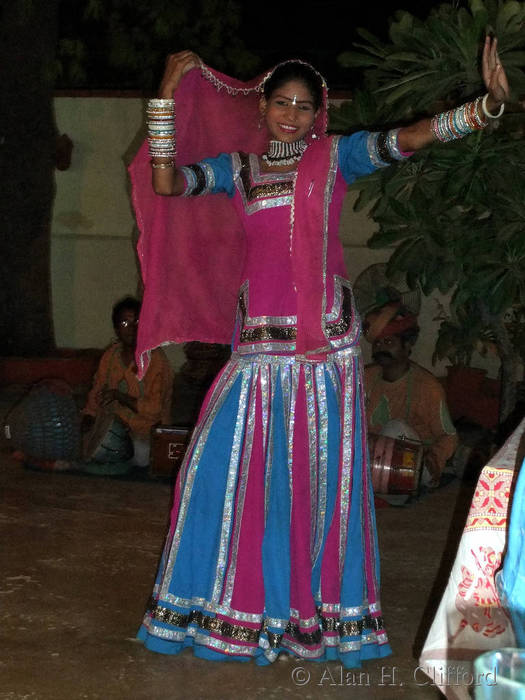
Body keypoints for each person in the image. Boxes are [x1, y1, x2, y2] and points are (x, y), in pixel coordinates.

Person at [129, 39, 508, 666]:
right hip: (255, 347)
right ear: (264, 107)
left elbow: (407, 138)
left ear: (318, 114)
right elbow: (166, 183)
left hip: (320, 351)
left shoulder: (334, 159)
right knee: (217, 472)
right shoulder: (240, 169)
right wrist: (165, 98)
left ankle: (310, 617)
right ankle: (232, 610)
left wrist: (482, 109)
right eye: (282, 103)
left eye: (304, 107)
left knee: (312, 484)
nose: (292, 116)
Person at [363, 302, 458, 489]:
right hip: (373, 458)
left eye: (389, 342)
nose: (381, 348)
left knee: (394, 429)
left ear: (407, 345)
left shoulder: (427, 387)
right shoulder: (365, 377)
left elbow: (449, 436)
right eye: (377, 343)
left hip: (411, 465)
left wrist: (435, 460)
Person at [82, 296, 173, 470]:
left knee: (140, 456)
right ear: (116, 329)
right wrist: (89, 417)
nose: (132, 329)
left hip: (147, 431)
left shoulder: (156, 360)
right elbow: (97, 391)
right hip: (115, 426)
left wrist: (119, 396)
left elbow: (155, 410)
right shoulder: (110, 356)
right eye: (124, 323)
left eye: (137, 321)